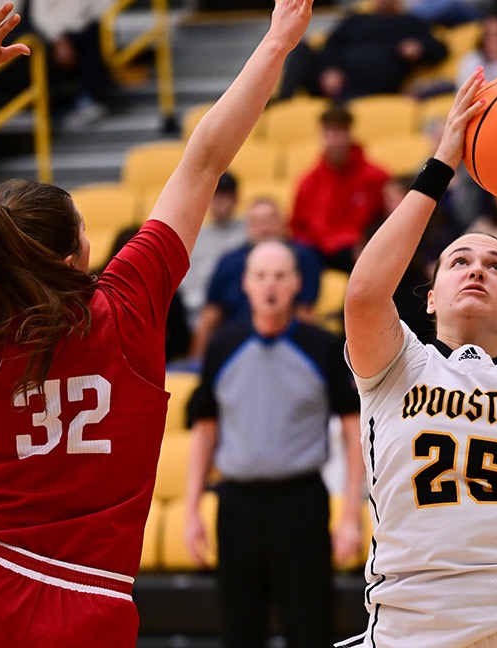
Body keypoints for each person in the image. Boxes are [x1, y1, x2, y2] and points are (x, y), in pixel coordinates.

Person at [0, 0, 312, 644]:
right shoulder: (128, 302)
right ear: (83, 253)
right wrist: (276, 42)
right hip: (91, 608)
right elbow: (205, 158)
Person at [340, 68, 497, 646]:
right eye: (459, 261)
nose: (478, 267)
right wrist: (442, 168)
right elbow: (362, 295)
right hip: (417, 621)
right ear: (430, 299)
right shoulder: (397, 365)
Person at [184, 239, 364, 648]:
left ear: (297, 283)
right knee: (239, 632)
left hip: (301, 505)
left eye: (281, 276)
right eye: (261, 276)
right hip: (235, 506)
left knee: (311, 628)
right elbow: (205, 429)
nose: (271, 285)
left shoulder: (322, 347)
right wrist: (192, 510)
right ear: (245, 284)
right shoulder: (222, 346)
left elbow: (354, 431)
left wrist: (351, 514)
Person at [190, 196, 322, 359]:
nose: (264, 228)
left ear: (283, 222)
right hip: (235, 340)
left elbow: (304, 312)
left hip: (287, 337)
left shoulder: (302, 256)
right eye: (257, 222)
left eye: (270, 220)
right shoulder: (229, 260)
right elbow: (210, 314)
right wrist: (196, 359)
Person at [278, 0, 447, 101]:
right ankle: (283, 104)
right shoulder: (356, 19)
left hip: (375, 87)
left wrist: (420, 46)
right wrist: (329, 69)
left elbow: (441, 50)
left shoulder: (410, 23)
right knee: (302, 48)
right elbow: (330, 45)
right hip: (334, 82)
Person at [289, 103, 389, 272]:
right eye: (329, 133)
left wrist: (366, 242)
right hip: (317, 251)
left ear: (350, 133)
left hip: (358, 250)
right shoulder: (308, 181)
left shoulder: (375, 177)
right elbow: (297, 227)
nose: (334, 140)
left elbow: (387, 219)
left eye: (339, 132)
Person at [26, 0, 114, 128]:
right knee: (33, 47)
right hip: (52, 36)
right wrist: (58, 40)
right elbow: (40, 16)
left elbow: (104, 8)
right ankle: (50, 110)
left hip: (85, 30)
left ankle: (88, 99)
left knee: (95, 35)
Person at [178, 171, 248, 327]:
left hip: (238, 307)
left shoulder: (249, 230)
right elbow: (186, 282)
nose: (218, 201)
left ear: (235, 199)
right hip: (198, 311)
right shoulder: (194, 234)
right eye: (214, 195)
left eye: (223, 195)